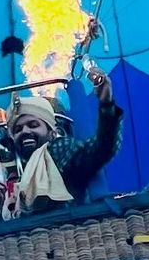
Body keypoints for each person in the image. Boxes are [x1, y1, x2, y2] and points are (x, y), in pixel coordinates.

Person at [7, 65, 123, 213]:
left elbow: (101, 148)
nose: (25, 131)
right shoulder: (17, 170)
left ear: (52, 132)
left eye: (33, 125)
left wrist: (107, 105)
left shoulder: (57, 150)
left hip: (72, 232)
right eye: (18, 129)